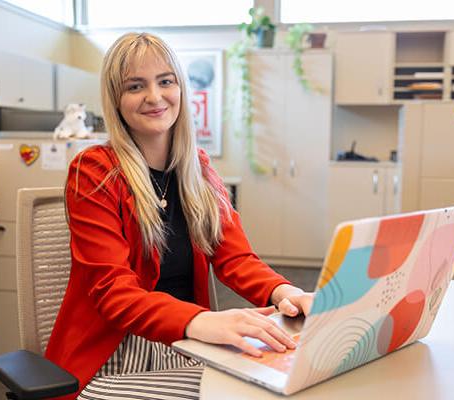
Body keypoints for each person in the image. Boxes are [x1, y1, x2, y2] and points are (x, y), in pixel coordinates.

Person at [45, 32, 313, 400]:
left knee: (287, 373)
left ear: (181, 88)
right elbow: (114, 293)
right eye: (135, 86)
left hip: (185, 342)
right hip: (113, 356)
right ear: (116, 100)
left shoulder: (197, 168)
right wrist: (200, 320)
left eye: (166, 81)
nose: (154, 97)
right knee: (247, 392)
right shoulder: (93, 171)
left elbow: (235, 258)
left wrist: (287, 292)